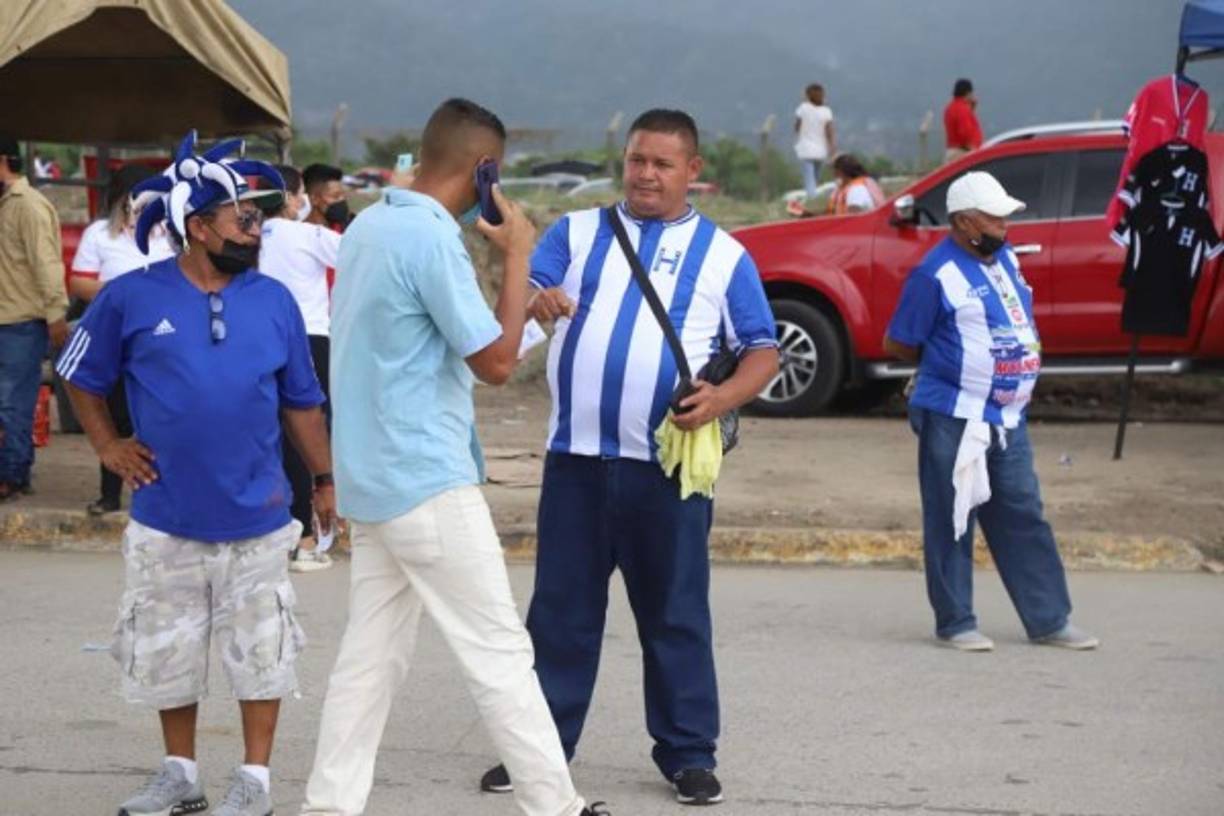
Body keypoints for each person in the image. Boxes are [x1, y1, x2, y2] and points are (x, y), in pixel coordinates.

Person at [300, 98, 607, 816]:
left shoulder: (372, 224)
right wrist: (520, 253)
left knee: (368, 661)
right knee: (499, 653)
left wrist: (516, 310)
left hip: (372, 479)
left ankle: (328, 805)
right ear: (483, 169)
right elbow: (497, 365)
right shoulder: (431, 238)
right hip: (427, 479)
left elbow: (452, 348)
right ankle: (556, 807)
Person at [478, 109, 780, 806]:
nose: (646, 174)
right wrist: (538, 299)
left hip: (669, 470)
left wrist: (723, 398)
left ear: (692, 172)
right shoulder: (578, 232)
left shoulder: (724, 255)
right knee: (559, 614)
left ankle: (688, 755)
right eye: (638, 159)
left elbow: (763, 348)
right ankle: (541, 751)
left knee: (675, 613)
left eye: (662, 164)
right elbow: (521, 292)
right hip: (576, 463)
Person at [57, 130, 335, 816]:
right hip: (165, 515)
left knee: (261, 650)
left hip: (259, 514)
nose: (258, 229)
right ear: (198, 224)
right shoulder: (131, 298)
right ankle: (181, 774)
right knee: (168, 650)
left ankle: (255, 781)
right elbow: (78, 375)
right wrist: (107, 447)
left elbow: (302, 402)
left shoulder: (274, 301)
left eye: (262, 218)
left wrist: (326, 481)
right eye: (245, 218)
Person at [882, 171, 1098, 653]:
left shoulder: (1005, 261)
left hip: (1006, 415)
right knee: (953, 516)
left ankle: (1049, 619)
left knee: (1023, 513)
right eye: (995, 217)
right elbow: (898, 341)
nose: (1005, 225)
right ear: (963, 222)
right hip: (952, 414)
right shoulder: (933, 273)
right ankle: (956, 622)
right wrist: (950, 363)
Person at [68, 163, 176, 516]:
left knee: (160, 414)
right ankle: (110, 494)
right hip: (112, 336)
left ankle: (161, 490)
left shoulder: (171, 236)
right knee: (113, 416)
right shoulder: (100, 234)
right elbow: (80, 283)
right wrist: (126, 294)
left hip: (161, 338)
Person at [258, 164, 342, 571]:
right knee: (305, 433)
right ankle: (303, 537)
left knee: (268, 432)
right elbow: (354, 257)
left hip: (259, 337)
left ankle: (273, 532)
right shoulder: (309, 234)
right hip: (308, 337)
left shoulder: (249, 234)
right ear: (292, 197)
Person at [0, 134, 68, 501]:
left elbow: (46, 264)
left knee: (14, 404)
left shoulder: (28, 205)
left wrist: (56, 314)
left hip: (22, 324)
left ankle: (12, 474)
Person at [793, 83, 836, 199]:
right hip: (821, 150)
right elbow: (830, 132)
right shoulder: (827, 111)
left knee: (809, 179)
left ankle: (812, 201)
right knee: (815, 179)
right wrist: (832, 149)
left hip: (806, 149)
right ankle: (814, 198)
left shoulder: (803, 108)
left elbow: (796, 127)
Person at [943, 78, 983, 163]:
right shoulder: (962, 109)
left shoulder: (950, 107)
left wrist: (972, 108)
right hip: (962, 153)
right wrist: (973, 149)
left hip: (953, 151)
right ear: (968, 92)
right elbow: (964, 133)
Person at [302, 163, 351, 230]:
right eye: (335, 196)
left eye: (344, 195)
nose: (342, 200)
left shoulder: (347, 230)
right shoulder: (299, 233)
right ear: (314, 199)